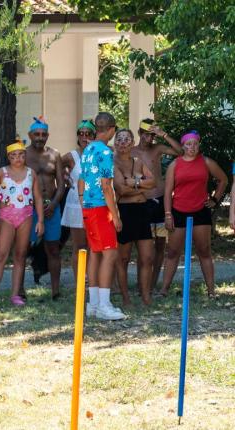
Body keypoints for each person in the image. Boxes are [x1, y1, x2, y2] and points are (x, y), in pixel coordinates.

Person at [0, 140, 44, 307]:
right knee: (1, 255)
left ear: (25, 156)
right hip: (6, 216)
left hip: (26, 216)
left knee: (20, 256)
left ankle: (15, 295)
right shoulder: (2, 172)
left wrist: (40, 220)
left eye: (21, 155)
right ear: (8, 157)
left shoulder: (31, 173)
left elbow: (38, 198)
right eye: (13, 156)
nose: (18, 158)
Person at [160, 131, 227, 298]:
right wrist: (168, 214)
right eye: (188, 144)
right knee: (173, 252)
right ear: (183, 146)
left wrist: (215, 199)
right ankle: (163, 290)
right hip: (178, 211)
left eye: (195, 144)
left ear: (198, 145)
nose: (192, 147)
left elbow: (223, 179)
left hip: (200, 212)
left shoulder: (206, 162)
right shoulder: (175, 164)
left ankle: (211, 291)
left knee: (204, 251)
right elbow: (168, 192)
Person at [78, 112, 126, 320]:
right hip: (100, 208)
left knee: (95, 253)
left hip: (89, 207)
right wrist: (115, 215)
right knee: (110, 253)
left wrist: (82, 202)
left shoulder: (87, 149)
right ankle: (104, 305)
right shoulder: (106, 152)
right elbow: (107, 186)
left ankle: (94, 304)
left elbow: (81, 180)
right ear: (112, 129)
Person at [132, 119, 183, 290]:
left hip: (160, 201)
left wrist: (164, 135)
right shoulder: (131, 151)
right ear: (139, 133)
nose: (149, 138)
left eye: (152, 135)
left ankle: (152, 283)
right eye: (146, 134)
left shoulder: (158, 148)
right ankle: (142, 283)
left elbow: (181, 151)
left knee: (160, 244)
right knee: (143, 245)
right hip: (141, 202)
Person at [113, 129, 156, 306]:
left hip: (142, 211)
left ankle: (145, 296)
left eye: (127, 139)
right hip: (124, 211)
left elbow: (153, 182)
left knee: (147, 257)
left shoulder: (138, 162)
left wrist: (135, 183)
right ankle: (126, 298)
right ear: (115, 143)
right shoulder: (112, 162)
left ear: (132, 143)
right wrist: (143, 188)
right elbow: (121, 190)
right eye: (120, 139)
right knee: (123, 258)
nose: (123, 142)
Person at [26, 118, 65, 299]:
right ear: (30, 135)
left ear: (47, 136)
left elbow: (61, 183)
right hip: (29, 208)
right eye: (36, 134)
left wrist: (54, 204)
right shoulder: (23, 155)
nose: (40, 138)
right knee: (23, 248)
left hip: (51, 207)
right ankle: (18, 291)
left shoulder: (55, 155)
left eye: (43, 135)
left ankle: (56, 291)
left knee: (53, 249)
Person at [61, 120, 94, 283]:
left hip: (95, 201)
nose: (84, 136)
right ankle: (79, 280)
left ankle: (93, 277)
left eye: (88, 133)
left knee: (94, 245)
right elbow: (56, 165)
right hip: (76, 203)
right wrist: (64, 177)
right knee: (80, 245)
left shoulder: (99, 152)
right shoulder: (71, 156)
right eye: (81, 133)